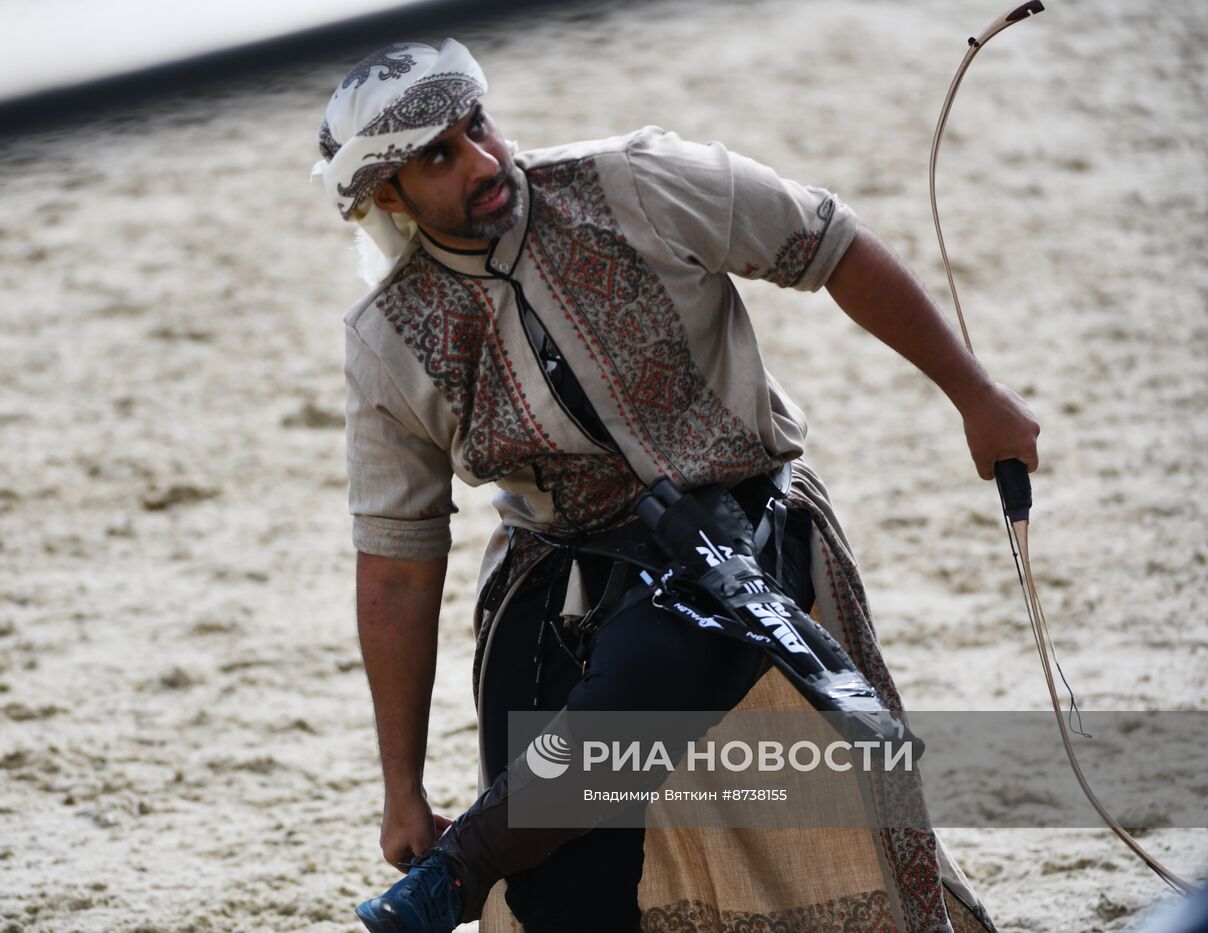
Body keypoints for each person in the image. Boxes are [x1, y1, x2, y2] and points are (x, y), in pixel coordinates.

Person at [312, 39, 1038, 933]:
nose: (484, 160)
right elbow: (397, 565)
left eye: (478, 125)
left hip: (745, 527)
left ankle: (457, 874)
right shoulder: (387, 340)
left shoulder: (636, 182)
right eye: (439, 156)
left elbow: (832, 244)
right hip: (560, 574)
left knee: (672, 647)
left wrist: (978, 396)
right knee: (564, 897)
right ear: (387, 196)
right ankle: (475, 865)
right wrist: (403, 787)